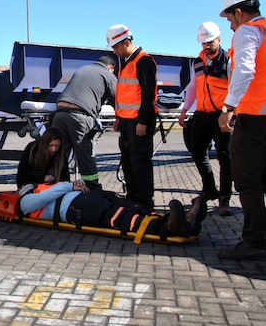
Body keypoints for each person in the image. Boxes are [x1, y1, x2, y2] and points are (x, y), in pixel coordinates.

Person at [216, 0, 266, 260]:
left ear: (238, 11)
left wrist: (229, 107)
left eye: (229, 19)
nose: (230, 25)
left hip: (256, 119)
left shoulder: (248, 31)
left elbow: (245, 70)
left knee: (248, 182)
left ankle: (254, 241)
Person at [18, 180, 206, 239]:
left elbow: (53, 192)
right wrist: (69, 185)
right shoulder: (25, 202)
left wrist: (78, 185)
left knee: (130, 208)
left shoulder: (49, 189)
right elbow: (44, 197)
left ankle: (183, 220)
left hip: (87, 200)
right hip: (78, 211)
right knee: (119, 218)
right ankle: (170, 227)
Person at [178, 21, 233, 216]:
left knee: (225, 156)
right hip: (202, 112)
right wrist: (184, 110)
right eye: (203, 43)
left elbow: (235, 89)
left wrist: (229, 112)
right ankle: (209, 188)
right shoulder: (198, 62)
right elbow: (193, 87)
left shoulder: (228, 60)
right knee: (197, 151)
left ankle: (224, 198)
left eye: (210, 42)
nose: (206, 46)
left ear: (219, 39)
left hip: (222, 112)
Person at [107, 24, 158, 208]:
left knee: (140, 163)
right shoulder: (126, 63)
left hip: (139, 121)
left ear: (126, 42)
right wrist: (119, 117)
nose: (114, 51)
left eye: (115, 47)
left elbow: (148, 94)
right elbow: (126, 94)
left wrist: (143, 121)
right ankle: (133, 199)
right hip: (127, 121)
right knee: (128, 161)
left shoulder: (144, 61)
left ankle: (144, 202)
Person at [52, 55, 117, 187]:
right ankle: (92, 187)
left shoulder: (82, 69)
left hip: (59, 114)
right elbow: (117, 100)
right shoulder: (107, 75)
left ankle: (55, 184)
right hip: (79, 117)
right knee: (85, 154)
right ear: (110, 67)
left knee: (58, 153)